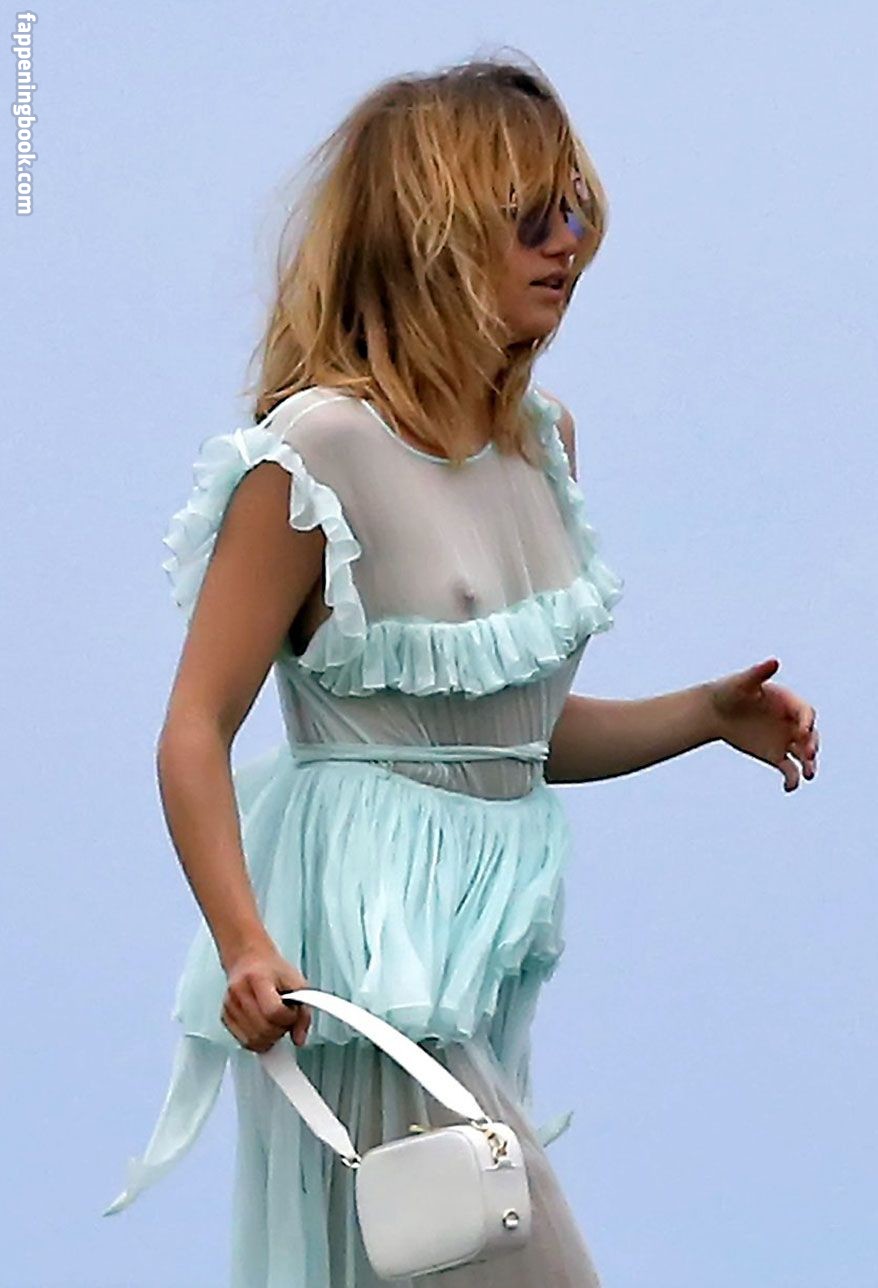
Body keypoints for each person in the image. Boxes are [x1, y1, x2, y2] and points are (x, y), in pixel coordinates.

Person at [102, 53, 819, 1287]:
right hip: (360, 965)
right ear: (425, 234)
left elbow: (504, 738)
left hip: (466, 968)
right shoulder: (314, 449)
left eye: (573, 213)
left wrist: (703, 715)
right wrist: (242, 941)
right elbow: (194, 725)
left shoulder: (540, 443)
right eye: (525, 216)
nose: (564, 244)